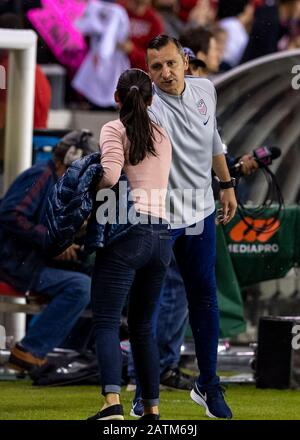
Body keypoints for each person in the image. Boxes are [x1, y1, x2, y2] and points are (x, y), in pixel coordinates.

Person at [132, 35, 237, 420]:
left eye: (171, 63)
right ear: (149, 71)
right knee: (150, 306)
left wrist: (225, 185)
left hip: (201, 213)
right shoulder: (147, 106)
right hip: (159, 217)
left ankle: (208, 385)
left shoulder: (206, 89)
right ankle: (145, 390)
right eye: (156, 66)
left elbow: (214, 141)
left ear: (186, 63)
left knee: (205, 300)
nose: (165, 72)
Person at [88, 68, 172, 421]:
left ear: (117, 98)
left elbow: (109, 174)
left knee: (106, 321)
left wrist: (87, 186)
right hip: (162, 236)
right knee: (142, 326)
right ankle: (151, 408)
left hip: (127, 233)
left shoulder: (113, 128)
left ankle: (112, 405)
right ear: (151, 99)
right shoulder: (163, 133)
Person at [0, 130, 97, 372]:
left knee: (101, 273)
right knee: (79, 287)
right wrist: (51, 240)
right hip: (16, 264)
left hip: (33, 261)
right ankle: (30, 351)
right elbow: (11, 215)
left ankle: (82, 350)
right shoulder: (40, 176)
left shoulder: (60, 182)